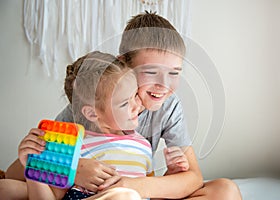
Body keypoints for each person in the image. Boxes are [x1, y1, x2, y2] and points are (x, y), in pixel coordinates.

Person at [5, 12, 241, 199]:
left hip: (132, 190)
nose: (163, 85)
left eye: (174, 73)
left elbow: (193, 178)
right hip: (87, 192)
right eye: (150, 72)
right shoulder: (93, 104)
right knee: (7, 188)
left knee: (225, 191)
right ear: (123, 64)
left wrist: (135, 186)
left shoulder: (169, 107)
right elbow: (18, 171)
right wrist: (75, 170)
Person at [13, 51, 189, 200]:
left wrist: (171, 173)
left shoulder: (143, 146)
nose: (137, 105)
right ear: (92, 114)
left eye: (135, 94)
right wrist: (34, 169)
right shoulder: (77, 147)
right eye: (124, 104)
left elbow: (150, 193)